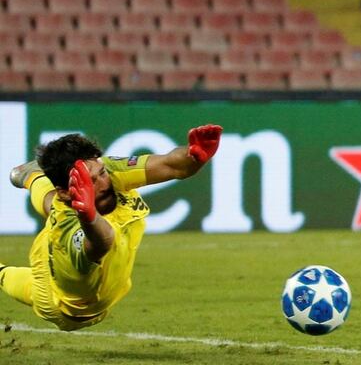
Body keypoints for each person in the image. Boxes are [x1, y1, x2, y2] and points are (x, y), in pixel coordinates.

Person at [0, 125, 222, 331]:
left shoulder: (108, 171)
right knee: (17, 277)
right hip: (62, 307)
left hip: (64, 208)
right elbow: (102, 241)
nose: (104, 183)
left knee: (53, 203)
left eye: (102, 173)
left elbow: (171, 165)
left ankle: (31, 174)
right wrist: (88, 215)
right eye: (90, 181)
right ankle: (33, 177)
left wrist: (195, 156)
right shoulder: (68, 233)